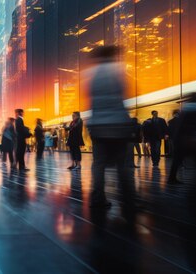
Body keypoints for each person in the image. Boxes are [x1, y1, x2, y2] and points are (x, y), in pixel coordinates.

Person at [85, 45, 135, 210]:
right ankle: (128, 200)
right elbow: (126, 94)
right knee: (123, 164)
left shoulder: (91, 74)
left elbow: (90, 100)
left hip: (98, 125)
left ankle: (97, 198)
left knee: (98, 164)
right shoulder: (118, 70)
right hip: (118, 125)